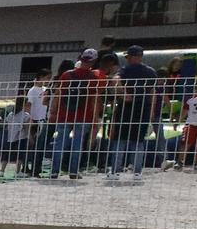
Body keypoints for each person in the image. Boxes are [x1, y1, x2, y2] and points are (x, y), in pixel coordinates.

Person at [105, 46, 159, 183]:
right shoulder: (150, 71)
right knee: (138, 142)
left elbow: (115, 81)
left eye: (128, 56)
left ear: (132, 56)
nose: (127, 59)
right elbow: (153, 92)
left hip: (126, 109)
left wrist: (123, 94)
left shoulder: (125, 70)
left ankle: (115, 171)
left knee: (120, 140)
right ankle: (137, 172)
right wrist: (152, 110)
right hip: (144, 110)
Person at [48, 49, 102, 181]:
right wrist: (95, 118)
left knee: (60, 143)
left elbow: (58, 94)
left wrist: (53, 111)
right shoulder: (93, 78)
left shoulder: (67, 75)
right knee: (77, 145)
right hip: (83, 116)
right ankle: (73, 171)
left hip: (64, 114)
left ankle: (54, 171)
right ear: (93, 61)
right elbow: (94, 99)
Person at [25, 69, 51, 172]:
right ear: (40, 77)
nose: (48, 80)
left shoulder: (45, 89)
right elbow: (28, 105)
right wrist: (29, 119)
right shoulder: (32, 90)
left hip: (43, 119)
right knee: (30, 144)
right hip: (34, 120)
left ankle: (36, 166)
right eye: (47, 78)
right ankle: (26, 166)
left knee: (40, 144)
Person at [1, 101, 32, 177]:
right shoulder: (26, 115)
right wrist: (30, 137)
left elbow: (6, 124)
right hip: (21, 137)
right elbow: (26, 127)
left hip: (10, 137)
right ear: (24, 105)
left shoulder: (10, 114)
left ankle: (1, 171)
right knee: (20, 155)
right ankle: (17, 172)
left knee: (7, 154)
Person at [183, 79, 197, 174]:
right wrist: (177, 121)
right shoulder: (190, 100)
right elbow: (184, 111)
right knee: (185, 144)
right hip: (191, 124)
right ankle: (180, 162)